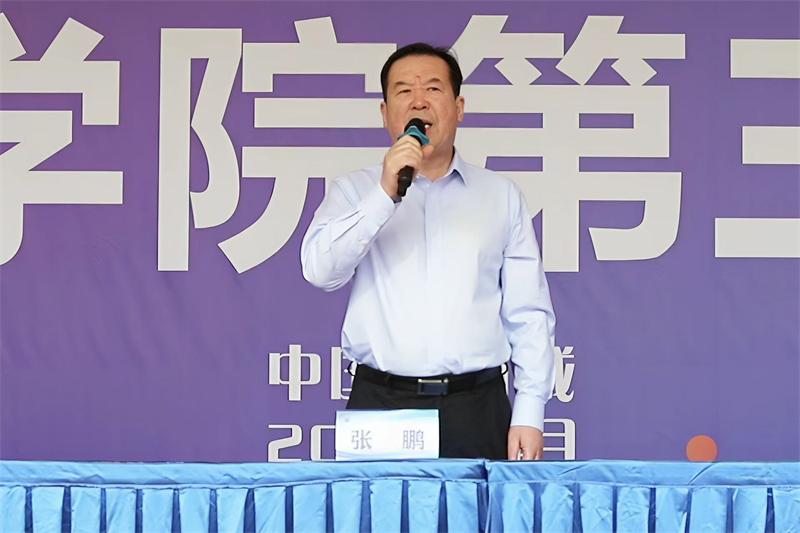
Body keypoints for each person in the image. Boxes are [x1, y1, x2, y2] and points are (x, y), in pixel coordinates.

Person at [301, 42, 556, 460]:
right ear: (385, 113)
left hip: (477, 406)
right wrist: (384, 194)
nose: (418, 101)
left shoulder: (500, 196)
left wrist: (530, 411)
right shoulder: (353, 191)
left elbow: (528, 313)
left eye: (433, 89)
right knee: (380, 506)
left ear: (459, 107)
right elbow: (320, 271)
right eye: (404, 91)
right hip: (381, 404)